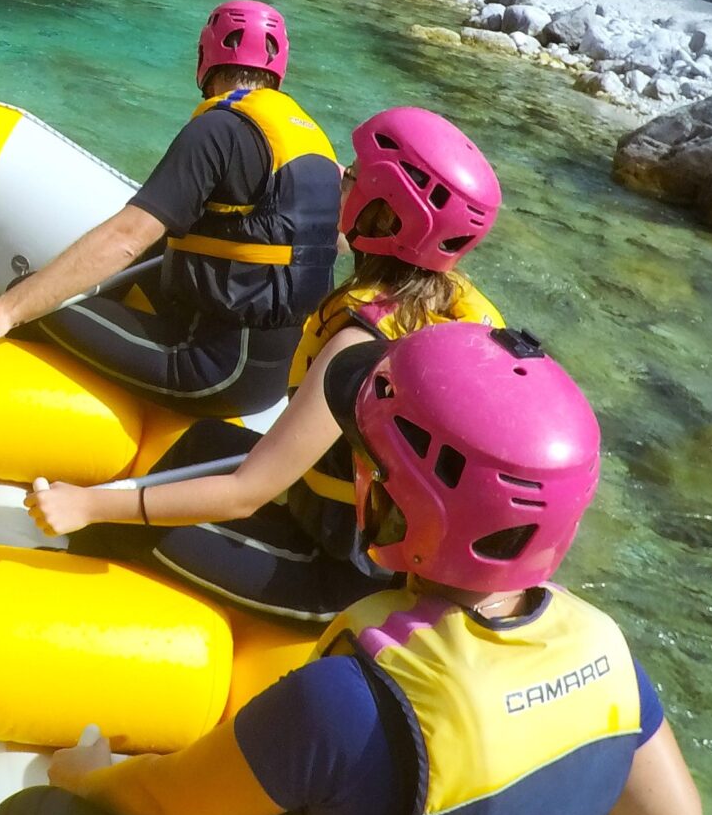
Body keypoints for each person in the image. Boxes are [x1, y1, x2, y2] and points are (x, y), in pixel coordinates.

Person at [0, 322, 702, 815]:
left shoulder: (347, 700)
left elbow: (158, 800)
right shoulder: (605, 651)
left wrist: (88, 778)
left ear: (407, 504)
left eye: (369, 464)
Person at [31, 109, 507, 623]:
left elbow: (245, 493)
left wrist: (90, 506)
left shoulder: (361, 346)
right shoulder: (447, 304)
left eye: (351, 177)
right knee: (206, 441)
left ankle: (55, 625)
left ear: (383, 214)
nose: (338, 181)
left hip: (344, 575)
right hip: (346, 524)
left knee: (121, 526)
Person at [0, 0, 341, 417]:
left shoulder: (218, 129)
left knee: (28, 300)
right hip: (274, 372)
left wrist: (6, 311)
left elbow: (127, 238)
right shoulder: (312, 141)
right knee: (167, 242)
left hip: (215, 371)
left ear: (205, 57)